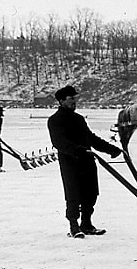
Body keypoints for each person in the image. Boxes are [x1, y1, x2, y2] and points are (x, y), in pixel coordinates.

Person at [47, 85, 122, 238]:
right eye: (71, 99)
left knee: (91, 193)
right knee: (73, 195)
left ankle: (86, 224)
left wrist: (111, 149)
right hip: (70, 163)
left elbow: (91, 138)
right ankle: (74, 226)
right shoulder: (55, 120)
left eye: (75, 98)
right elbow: (59, 142)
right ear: (61, 101)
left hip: (87, 161)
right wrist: (78, 150)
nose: (74, 101)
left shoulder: (79, 119)